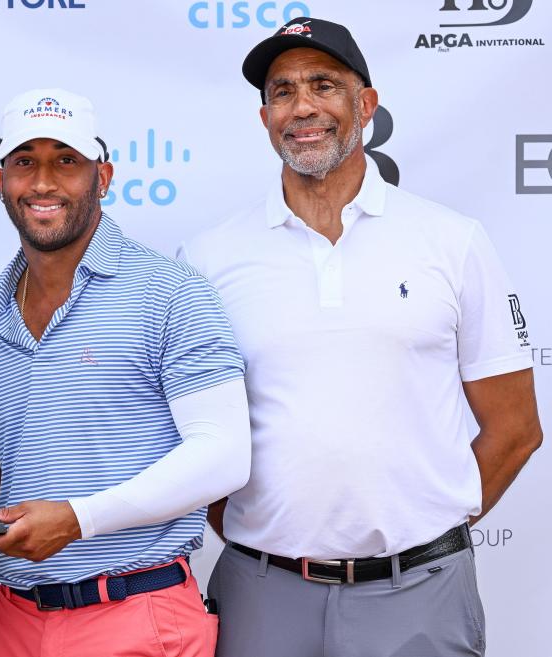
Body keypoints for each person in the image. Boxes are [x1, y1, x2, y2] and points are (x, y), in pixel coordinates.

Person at [179, 16, 543, 657]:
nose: (303, 107)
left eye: (324, 84)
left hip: (421, 590)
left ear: (365, 105)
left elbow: (516, 427)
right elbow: (189, 435)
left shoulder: (451, 240)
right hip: (261, 592)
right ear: (264, 118)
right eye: (283, 91)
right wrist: (259, 531)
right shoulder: (208, 258)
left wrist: (427, 532)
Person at [0, 88, 251, 657]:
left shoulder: (170, 291)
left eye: (67, 161)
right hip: (15, 621)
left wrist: (79, 519)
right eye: (24, 162)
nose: (43, 182)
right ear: (0, 181)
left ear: (102, 177)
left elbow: (224, 452)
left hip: (135, 615)